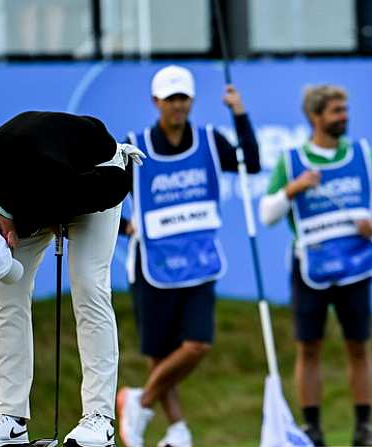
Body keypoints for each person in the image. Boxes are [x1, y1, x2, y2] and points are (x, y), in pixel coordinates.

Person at [0, 111, 145, 447]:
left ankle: (99, 418)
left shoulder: (53, 184)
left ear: (9, 237)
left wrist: (63, 211)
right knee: (6, 295)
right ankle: (11, 418)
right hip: (36, 186)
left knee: (89, 285)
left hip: (95, 170)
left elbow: (116, 186)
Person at [115, 65, 261, 447]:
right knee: (160, 352)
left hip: (199, 261)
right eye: (170, 99)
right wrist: (123, 226)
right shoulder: (134, 146)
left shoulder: (211, 141)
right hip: (153, 264)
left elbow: (251, 162)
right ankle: (178, 430)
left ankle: (140, 402)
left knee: (198, 343)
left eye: (183, 98)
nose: (177, 106)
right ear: (156, 102)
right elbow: (102, 197)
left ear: (191, 100)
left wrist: (240, 113)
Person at [259, 85, 372, 447]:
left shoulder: (363, 155)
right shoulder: (292, 161)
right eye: (336, 111)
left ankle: (364, 427)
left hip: (355, 264)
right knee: (309, 348)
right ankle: (313, 429)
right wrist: (295, 188)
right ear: (315, 117)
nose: (343, 116)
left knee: (359, 345)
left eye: (344, 109)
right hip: (311, 268)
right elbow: (267, 213)